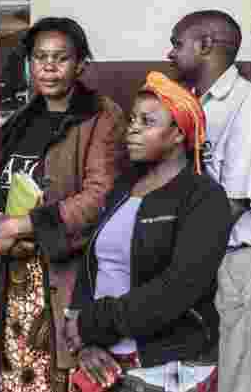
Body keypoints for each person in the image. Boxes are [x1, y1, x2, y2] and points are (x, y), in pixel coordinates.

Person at [63, 72, 232, 392]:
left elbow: (178, 288)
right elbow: (93, 268)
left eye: (147, 121)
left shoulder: (203, 197)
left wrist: (93, 323)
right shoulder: (123, 188)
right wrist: (85, 341)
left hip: (167, 365)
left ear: (179, 133)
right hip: (104, 360)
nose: (133, 128)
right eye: (132, 119)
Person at [0, 17, 128, 392]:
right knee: (14, 377)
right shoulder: (23, 117)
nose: (49, 67)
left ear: (81, 64)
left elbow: (101, 196)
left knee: (56, 376)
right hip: (13, 273)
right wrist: (0, 229)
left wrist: (23, 226)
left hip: (63, 275)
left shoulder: (101, 116)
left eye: (61, 58)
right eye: (40, 57)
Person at [166, 10, 251, 392]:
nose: (170, 53)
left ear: (206, 45)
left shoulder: (249, 106)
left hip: (230, 259)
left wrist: (182, 254)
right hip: (201, 258)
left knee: (238, 377)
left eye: (177, 44)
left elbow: (235, 202)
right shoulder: (194, 103)